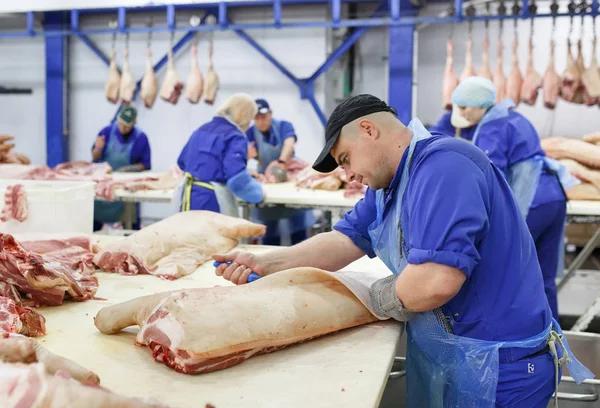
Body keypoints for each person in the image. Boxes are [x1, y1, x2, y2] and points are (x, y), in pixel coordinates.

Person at [213, 94, 592, 407]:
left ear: (368, 129)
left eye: (345, 159)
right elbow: (343, 239)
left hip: (500, 369)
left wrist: (372, 297)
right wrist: (264, 262)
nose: (348, 174)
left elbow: (433, 282)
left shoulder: (444, 166)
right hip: (459, 357)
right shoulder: (388, 186)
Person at [432, 77, 579, 321]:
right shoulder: (515, 117)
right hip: (554, 196)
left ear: (479, 104)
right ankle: (552, 337)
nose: (462, 113)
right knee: (544, 275)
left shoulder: (491, 128)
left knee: (510, 270)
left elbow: (488, 174)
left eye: (465, 107)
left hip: (532, 199)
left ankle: (516, 334)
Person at [175, 93, 265, 215]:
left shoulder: (202, 129)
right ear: (244, 116)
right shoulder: (235, 136)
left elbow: (182, 162)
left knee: (190, 233)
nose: (249, 125)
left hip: (188, 197)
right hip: (211, 201)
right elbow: (237, 180)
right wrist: (259, 194)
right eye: (250, 119)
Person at [245, 98, 315, 246]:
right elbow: (244, 152)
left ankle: (302, 262)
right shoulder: (250, 133)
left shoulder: (284, 126)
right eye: (257, 118)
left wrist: (281, 162)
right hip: (269, 185)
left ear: (270, 113)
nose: (261, 121)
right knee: (270, 233)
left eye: (264, 117)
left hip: (290, 179)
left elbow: (289, 143)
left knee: (298, 231)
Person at [92, 106, 151, 231]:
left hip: (126, 186)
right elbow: (95, 158)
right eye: (121, 124)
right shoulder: (106, 132)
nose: (123, 128)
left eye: (127, 126)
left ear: (134, 124)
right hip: (105, 185)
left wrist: (127, 169)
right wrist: (98, 149)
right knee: (94, 224)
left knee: (130, 226)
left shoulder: (141, 138)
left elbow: (145, 164)